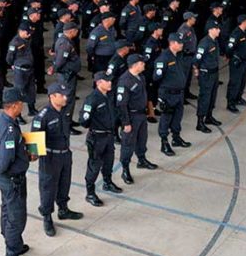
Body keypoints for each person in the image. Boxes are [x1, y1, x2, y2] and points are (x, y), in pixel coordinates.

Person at [0, 88, 37, 256]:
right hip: (12, 179)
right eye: (21, 103)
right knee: (16, 219)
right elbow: (6, 159)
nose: (23, 106)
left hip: (7, 178)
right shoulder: (10, 129)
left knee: (6, 210)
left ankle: (13, 243)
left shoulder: (1, 120)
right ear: (15, 105)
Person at [32, 83, 84, 237]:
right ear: (52, 96)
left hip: (65, 154)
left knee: (64, 183)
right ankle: (47, 217)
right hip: (50, 157)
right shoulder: (42, 116)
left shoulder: (64, 112)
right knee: (48, 187)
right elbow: (34, 142)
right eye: (62, 95)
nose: (65, 97)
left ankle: (63, 209)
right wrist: (38, 157)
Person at [79, 72, 122, 207]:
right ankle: (90, 193)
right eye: (107, 81)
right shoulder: (92, 99)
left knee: (109, 161)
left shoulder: (108, 95)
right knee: (94, 165)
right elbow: (84, 121)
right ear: (99, 83)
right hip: (97, 137)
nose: (110, 83)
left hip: (108, 136)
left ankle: (107, 182)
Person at [117, 54, 158, 185]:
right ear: (135, 65)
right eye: (142, 63)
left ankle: (142, 159)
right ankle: (125, 169)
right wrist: (126, 123)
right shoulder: (125, 81)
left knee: (142, 139)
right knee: (128, 144)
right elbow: (121, 104)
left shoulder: (141, 77)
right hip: (131, 117)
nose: (144, 64)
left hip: (141, 115)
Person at [154, 33, 191, 157]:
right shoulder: (164, 58)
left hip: (179, 93)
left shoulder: (178, 56)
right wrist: (161, 96)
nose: (182, 45)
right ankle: (164, 142)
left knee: (177, 117)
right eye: (179, 43)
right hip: (168, 94)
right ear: (172, 43)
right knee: (166, 118)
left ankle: (176, 138)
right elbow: (156, 77)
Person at [53, 22, 82, 135]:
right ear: (71, 31)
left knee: (71, 99)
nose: (77, 32)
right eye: (75, 31)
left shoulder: (66, 41)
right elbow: (60, 62)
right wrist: (55, 68)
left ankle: (68, 120)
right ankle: (66, 125)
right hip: (66, 76)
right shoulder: (65, 44)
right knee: (67, 100)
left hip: (69, 75)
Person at [193, 24, 222, 133]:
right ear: (210, 30)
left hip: (214, 73)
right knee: (205, 97)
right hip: (206, 74)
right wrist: (196, 70)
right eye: (216, 28)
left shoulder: (215, 41)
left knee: (212, 96)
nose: (219, 30)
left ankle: (209, 116)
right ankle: (200, 122)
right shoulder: (204, 43)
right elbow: (196, 59)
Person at [6, 24, 36, 121]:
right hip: (20, 71)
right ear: (21, 31)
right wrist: (14, 64)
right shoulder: (15, 43)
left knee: (31, 90)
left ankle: (32, 109)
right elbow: (9, 58)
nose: (29, 35)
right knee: (19, 92)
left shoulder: (27, 39)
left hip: (30, 69)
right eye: (27, 33)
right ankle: (18, 115)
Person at [225, 15, 246, 113]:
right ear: (243, 22)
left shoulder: (244, 32)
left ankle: (238, 98)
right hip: (236, 62)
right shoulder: (236, 34)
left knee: (242, 82)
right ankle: (230, 103)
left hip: (243, 62)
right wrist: (230, 57)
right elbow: (229, 48)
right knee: (234, 83)